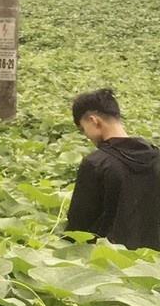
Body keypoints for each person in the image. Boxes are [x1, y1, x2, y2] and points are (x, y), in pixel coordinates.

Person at [66, 88, 160, 251]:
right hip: (152, 265)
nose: (86, 135)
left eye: (83, 128)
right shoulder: (156, 156)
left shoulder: (96, 163)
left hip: (109, 265)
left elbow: (77, 226)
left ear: (94, 120)